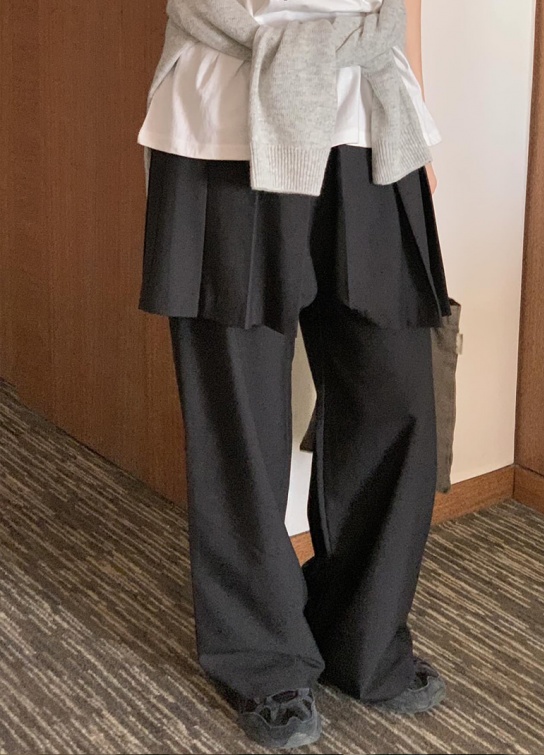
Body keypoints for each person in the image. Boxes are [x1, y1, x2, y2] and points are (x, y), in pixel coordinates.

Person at [137, 0, 452, 748]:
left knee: (397, 398)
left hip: (369, 115)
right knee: (238, 416)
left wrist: (416, 112)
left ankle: (361, 631)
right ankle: (262, 655)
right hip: (224, 114)